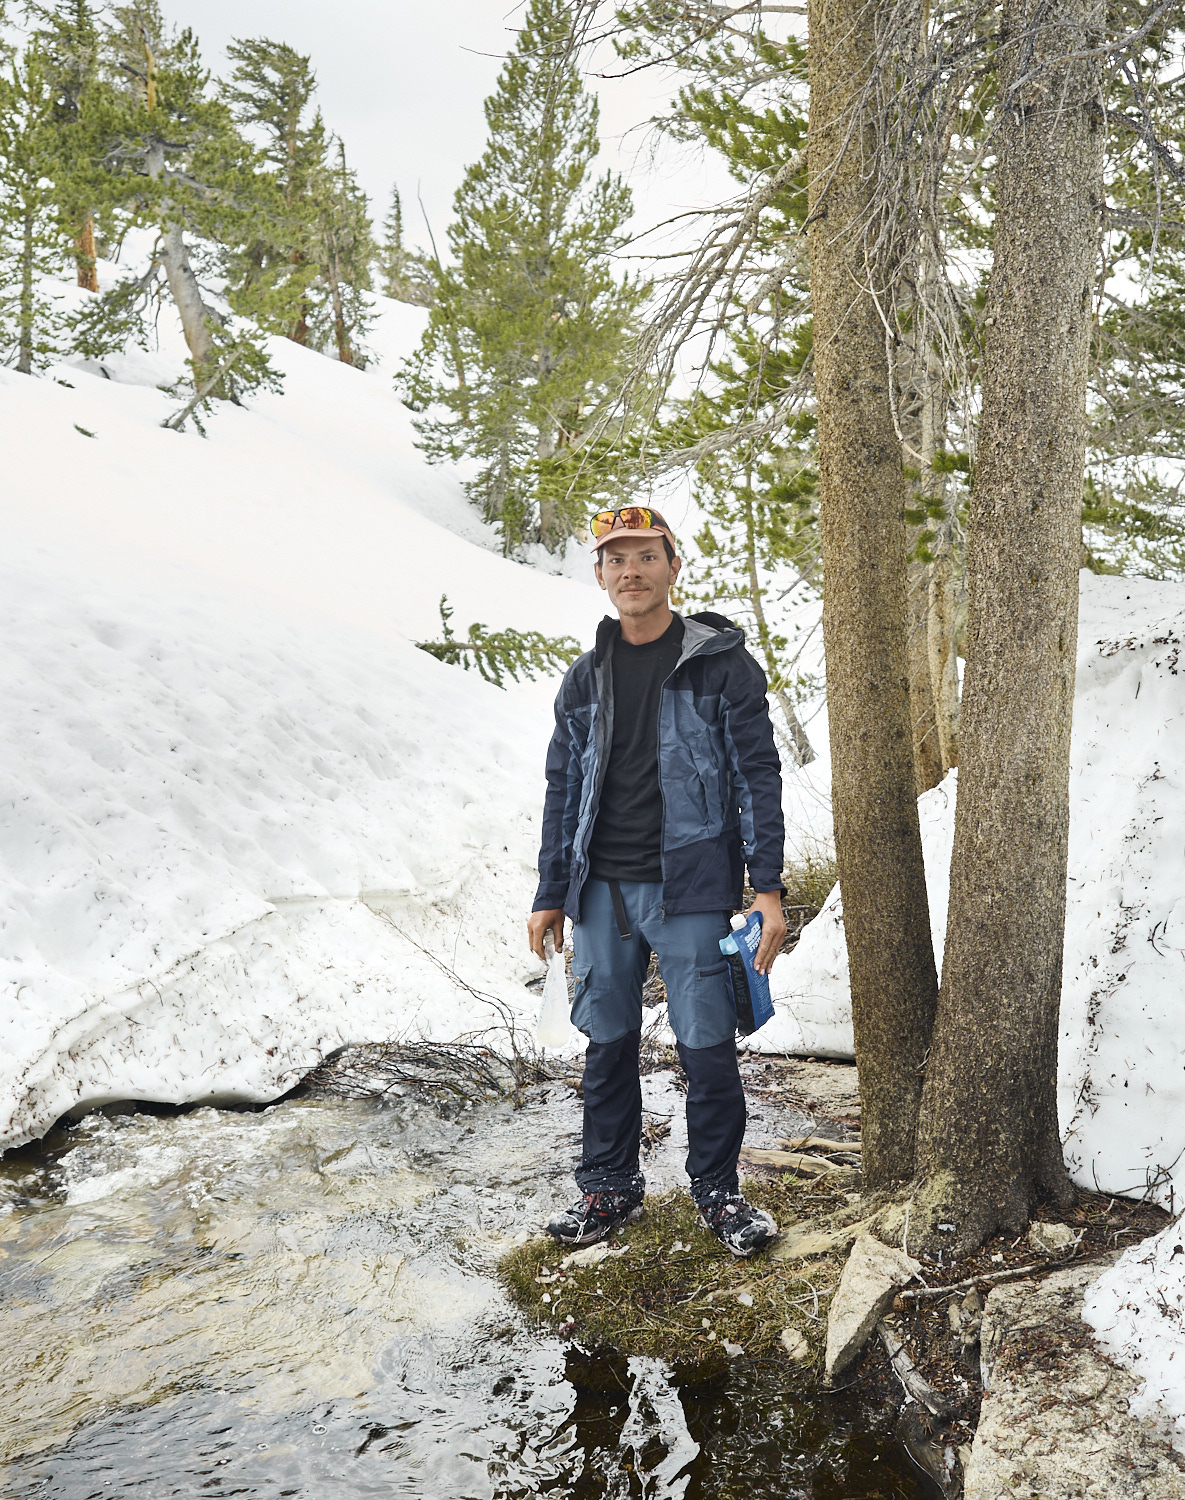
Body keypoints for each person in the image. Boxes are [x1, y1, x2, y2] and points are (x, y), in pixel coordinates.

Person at [527, 505, 789, 1258]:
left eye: (645, 556)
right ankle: (607, 1187)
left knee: (705, 1043)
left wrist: (764, 887)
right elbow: (561, 787)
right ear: (600, 576)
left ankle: (717, 1192)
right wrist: (551, 892)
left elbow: (757, 776)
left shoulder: (720, 666)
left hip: (694, 887)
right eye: (615, 560)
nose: (629, 571)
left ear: (674, 567)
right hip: (601, 890)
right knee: (605, 1042)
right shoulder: (585, 679)